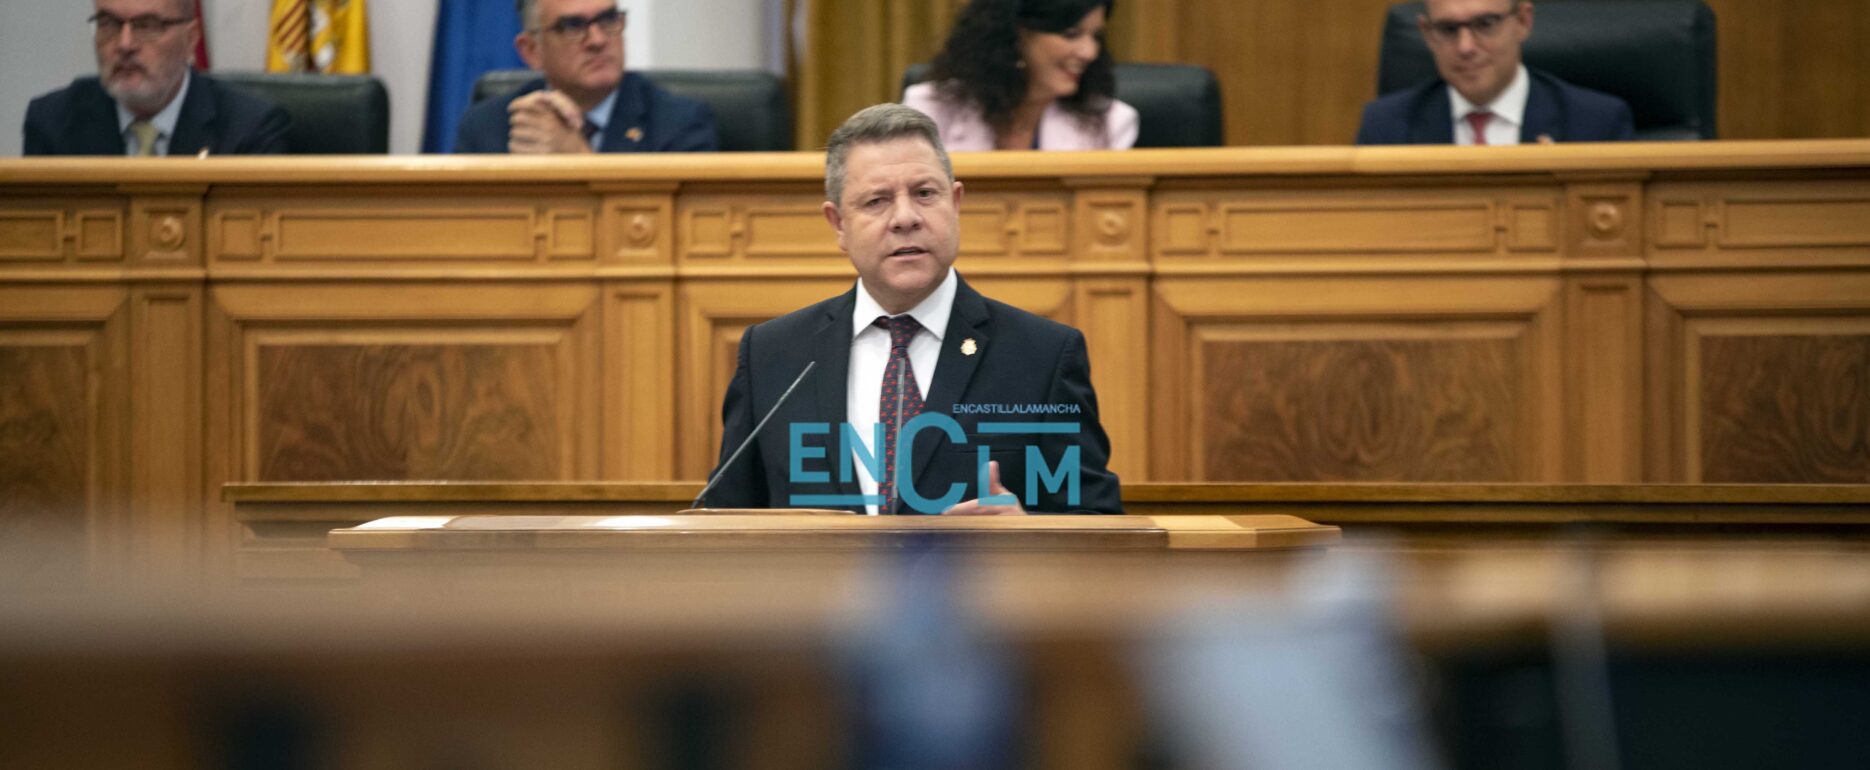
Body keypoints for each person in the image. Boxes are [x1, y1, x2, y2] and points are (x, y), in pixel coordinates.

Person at [703, 104, 1123, 515]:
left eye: (924, 194)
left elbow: (1097, 533)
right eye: (876, 202)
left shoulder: (1041, 356)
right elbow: (725, 522)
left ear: (955, 203)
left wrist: (1027, 538)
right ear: (838, 225)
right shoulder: (773, 355)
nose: (905, 218)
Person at [23, 0, 290, 156]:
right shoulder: (52, 123)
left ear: (190, 40)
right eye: (109, 24)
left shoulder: (249, 130)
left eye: (147, 26)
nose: (125, 44)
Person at [453, 0, 717, 154]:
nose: (598, 40)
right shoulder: (487, 128)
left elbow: (669, 237)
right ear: (532, 51)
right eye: (573, 26)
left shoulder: (681, 124)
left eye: (608, 19)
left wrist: (577, 157)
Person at [1355, 0, 1633, 145]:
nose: (1465, 47)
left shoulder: (1596, 123)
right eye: (1448, 29)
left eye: (1485, 24)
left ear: (1523, 21)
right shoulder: (1386, 127)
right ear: (1428, 35)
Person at [903, 0, 1137, 151]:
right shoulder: (930, 110)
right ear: (1016, 36)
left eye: (1095, 36)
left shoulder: (1111, 123)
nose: (1090, 52)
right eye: (1071, 34)